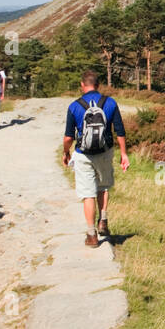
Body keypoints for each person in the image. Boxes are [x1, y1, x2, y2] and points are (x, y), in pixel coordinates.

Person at [62, 70, 129, 247]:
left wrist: (65, 152)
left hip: (83, 154)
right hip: (105, 153)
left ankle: (91, 235)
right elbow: (120, 131)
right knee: (103, 186)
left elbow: (69, 137)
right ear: (98, 85)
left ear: (82, 85)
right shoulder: (110, 103)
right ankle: (103, 220)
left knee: (87, 194)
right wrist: (123, 154)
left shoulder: (74, 106)